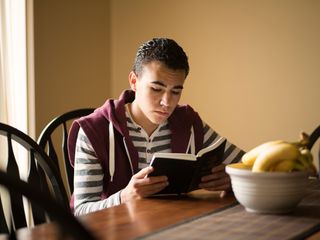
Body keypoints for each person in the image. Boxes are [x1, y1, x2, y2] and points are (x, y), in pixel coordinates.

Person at [68, 38, 245, 216]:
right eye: (156, 89)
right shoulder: (93, 130)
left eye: (176, 91)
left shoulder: (188, 122)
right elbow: (80, 212)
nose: (167, 103)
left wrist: (232, 179)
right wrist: (124, 197)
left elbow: (249, 164)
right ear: (134, 81)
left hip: (171, 225)